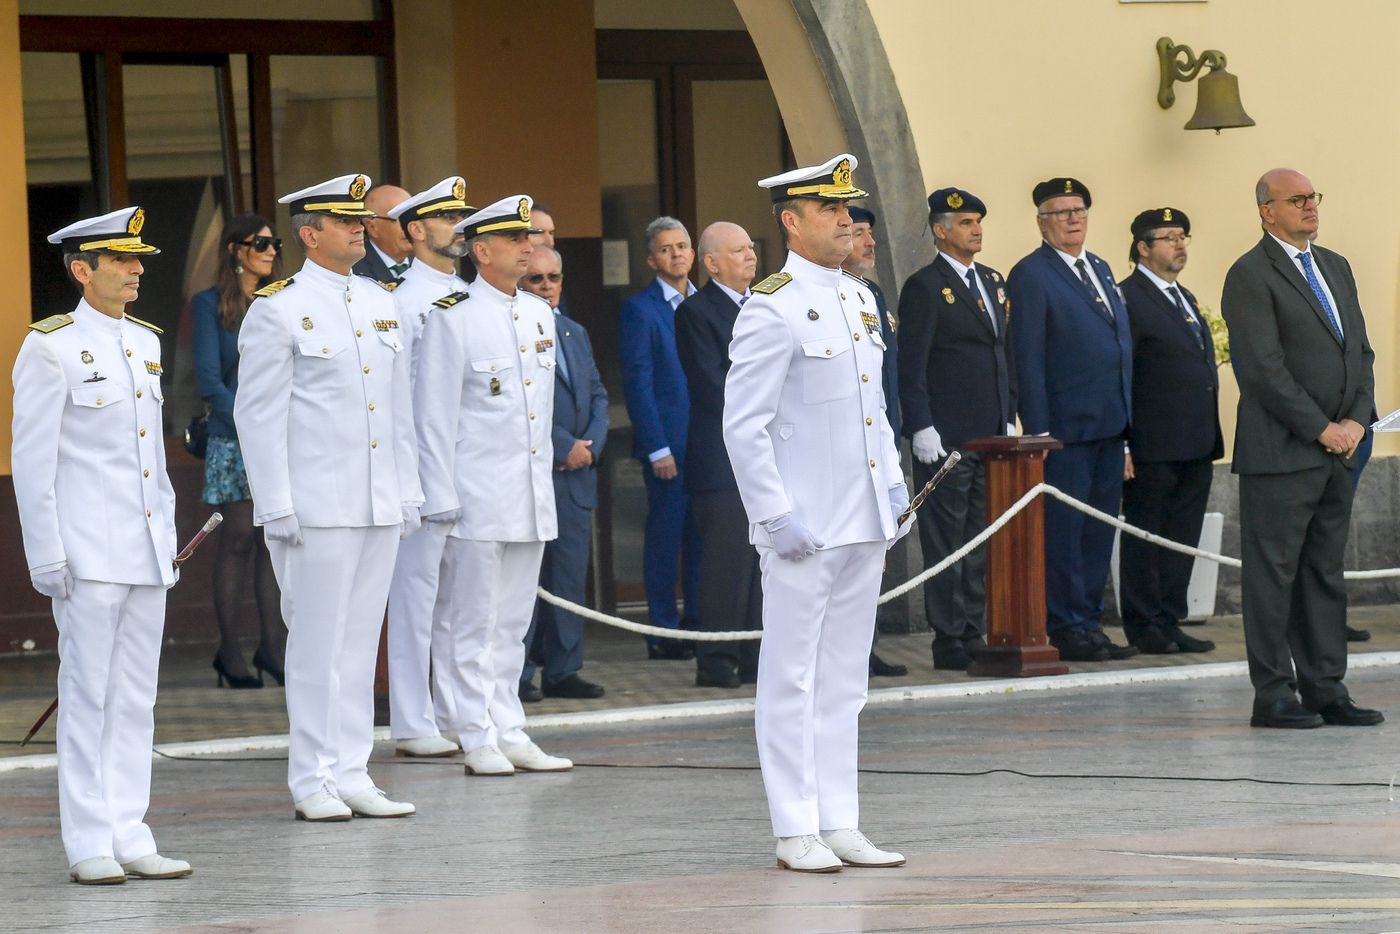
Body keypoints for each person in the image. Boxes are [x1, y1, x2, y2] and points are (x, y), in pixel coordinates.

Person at [725, 153, 910, 873]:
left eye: (850, 209)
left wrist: (892, 488)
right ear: (791, 221)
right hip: (805, 525)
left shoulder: (860, 300)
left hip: (862, 518)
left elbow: (874, 413)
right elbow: (744, 425)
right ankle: (794, 824)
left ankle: (841, 818)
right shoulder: (770, 305)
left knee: (844, 680)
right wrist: (774, 516)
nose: (847, 221)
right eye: (831, 211)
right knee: (791, 676)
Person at [235, 173, 423, 820]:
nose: (358, 228)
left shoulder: (379, 300)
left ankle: (352, 771)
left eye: (360, 220)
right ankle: (311, 778)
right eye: (343, 221)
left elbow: (398, 409)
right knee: (315, 646)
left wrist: (407, 490)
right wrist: (277, 504)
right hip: (316, 504)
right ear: (309, 234)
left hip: (375, 500)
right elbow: (258, 414)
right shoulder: (279, 306)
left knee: (356, 641)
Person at [13, 206, 192, 884]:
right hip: (87, 551)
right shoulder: (50, 346)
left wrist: (166, 536)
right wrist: (47, 552)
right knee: (88, 694)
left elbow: (150, 456)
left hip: (144, 548)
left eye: (138, 259)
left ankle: (130, 829)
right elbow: (33, 460)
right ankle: (89, 840)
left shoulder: (144, 342)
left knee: (135, 696)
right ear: (84, 269)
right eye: (122, 260)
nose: (138, 269)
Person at [416, 194, 573, 775]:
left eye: (525, 237)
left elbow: (541, 412)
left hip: (528, 493)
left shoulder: (537, 315)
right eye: (512, 240)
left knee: (511, 622)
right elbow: (432, 417)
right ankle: (473, 730)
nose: (526, 246)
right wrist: (441, 497)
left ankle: (508, 725)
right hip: (474, 494)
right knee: (469, 621)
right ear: (481, 250)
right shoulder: (452, 317)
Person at [1222, 168, 1382, 729]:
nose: (1311, 206)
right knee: (1274, 576)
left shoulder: (1334, 266)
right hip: (1284, 453)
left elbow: (1360, 351)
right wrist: (1322, 428)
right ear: (1268, 210)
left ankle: (1326, 687)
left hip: (1341, 449)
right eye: (1298, 199)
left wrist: (1358, 422)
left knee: (1323, 573)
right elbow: (1262, 370)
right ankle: (1273, 693)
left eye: (1314, 196)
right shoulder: (1249, 274)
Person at [1008, 177, 1138, 663]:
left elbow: (1119, 347)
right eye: (1061, 212)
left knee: (1097, 532)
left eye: (1079, 209)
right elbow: (1029, 357)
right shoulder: (1032, 274)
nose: (1073, 219)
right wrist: (1039, 431)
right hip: (1065, 430)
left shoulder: (1100, 268)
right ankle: (1067, 624)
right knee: (1064, 534)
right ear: (1043, 222)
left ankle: (1090, 621)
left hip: (1109, 426)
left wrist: (1127, 432)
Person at [896, 188, 1017, 670]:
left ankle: (974, 628)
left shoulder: (992, 281)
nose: (977, 229)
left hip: (990, 434)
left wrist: (1009, 412)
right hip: (945, 439)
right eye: (966, 222)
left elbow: (1002, 354)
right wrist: (920, 424)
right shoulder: (926, 287)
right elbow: (913, 364)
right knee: (947, 542)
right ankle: (948, 638)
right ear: (941, 231)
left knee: (980, 539)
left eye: (979, 222)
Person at [381, 176, 474, 758]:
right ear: (416, 232)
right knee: (415, 600)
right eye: (447, 219)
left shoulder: (470, 294)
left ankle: (457, 710)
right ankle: (413, 720)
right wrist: (418, 481)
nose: (459, 227)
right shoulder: (403, 301)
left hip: (476, 470)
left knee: (465, 605)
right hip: (422, 473)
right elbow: (404, 404)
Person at [191, 213, 286, 690]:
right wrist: (253, 425)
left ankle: (273, 647)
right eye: (261, 243)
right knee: (239, 539)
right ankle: (230, 652)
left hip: (281, 438)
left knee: (275, 541)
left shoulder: (281, 302)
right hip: (234, 436)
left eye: (275, 245)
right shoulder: (209, 304)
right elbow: (208, 380)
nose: (271, 251)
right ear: (235, 250)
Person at [1118, 208, 1220, 656]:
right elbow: (1122, 374)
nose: (1179, 245)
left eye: (1183, 236)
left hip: (1194, 441)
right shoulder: (1127, 297)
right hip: (1152, 443)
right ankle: (1144, 624)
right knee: (1148, 534)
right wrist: (1125, 440)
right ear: (1143, 247)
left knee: (1182, 535)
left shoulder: (1184, 297)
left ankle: (1170, 617)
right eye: (1168, 237)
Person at [518, 246, 609, 701]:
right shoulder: (510, 331)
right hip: (537, 471)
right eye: (536, 279)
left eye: (554, 277)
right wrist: (562, 446)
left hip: (576, 478)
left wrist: (589, 445)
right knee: (526, 582)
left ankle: (563, 669)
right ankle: (520, 674)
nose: (547, 286)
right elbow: (521, 401)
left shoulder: (574, 332)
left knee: (569, 580)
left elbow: (596, 394)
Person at [675, 221, 762, 689]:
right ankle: (717, 657)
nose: (751, 256)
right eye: (738, 250)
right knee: (724, 561)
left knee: (759, 559)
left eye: (751, 248)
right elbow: (713, 385)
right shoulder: (698, 312)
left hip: (765, 454)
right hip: (722, 456)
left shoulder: (764, 307)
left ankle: (752, 651)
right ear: (711, 263)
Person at [619, 216, 702, 659]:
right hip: (668, 448)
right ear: (652, 259)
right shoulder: (641, 309)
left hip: (706, 445)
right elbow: (639, 383)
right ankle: (663, 632)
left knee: (703, 542)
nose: (677, 254)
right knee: (665, 542)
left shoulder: (707, 302)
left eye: (683, 246)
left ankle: (698, 627)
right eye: (667, 249)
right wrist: (657, 447)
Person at [844, 205, 908, 679]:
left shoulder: (872, 294)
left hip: (880, 442)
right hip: (842, 454)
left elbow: (887, 377)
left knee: (876, 555)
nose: (868, 243)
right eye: (859, 233)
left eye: (871, 235)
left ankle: (868, 644)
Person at [353, 183, 413, 283]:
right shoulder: (355, 272)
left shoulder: (425, 265)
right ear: (372, 227)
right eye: (402, 218)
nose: (411, 227)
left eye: (412, 217)